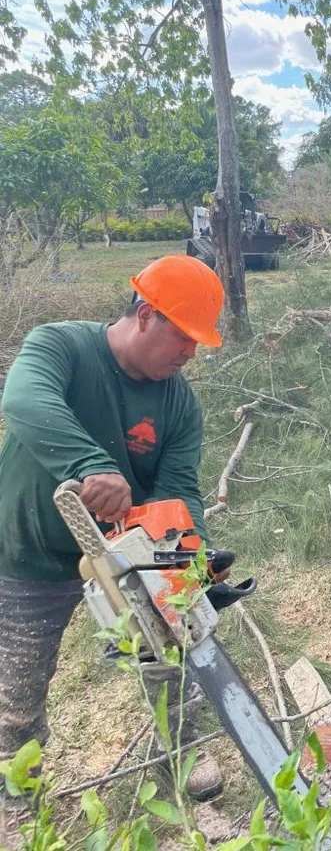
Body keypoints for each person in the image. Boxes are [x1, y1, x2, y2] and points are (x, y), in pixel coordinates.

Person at [0, 255, 227, 842]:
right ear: (147, 314)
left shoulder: (178, 402)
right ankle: (18, 797)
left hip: (128, 558)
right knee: (17, 688)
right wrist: (90, 466)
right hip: (29, 555)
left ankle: (179, 757)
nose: (189, 355)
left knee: (170, 655)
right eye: (183, 337)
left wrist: (191, 560)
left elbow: (180, 488)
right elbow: (23, 400)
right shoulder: (61, 347)